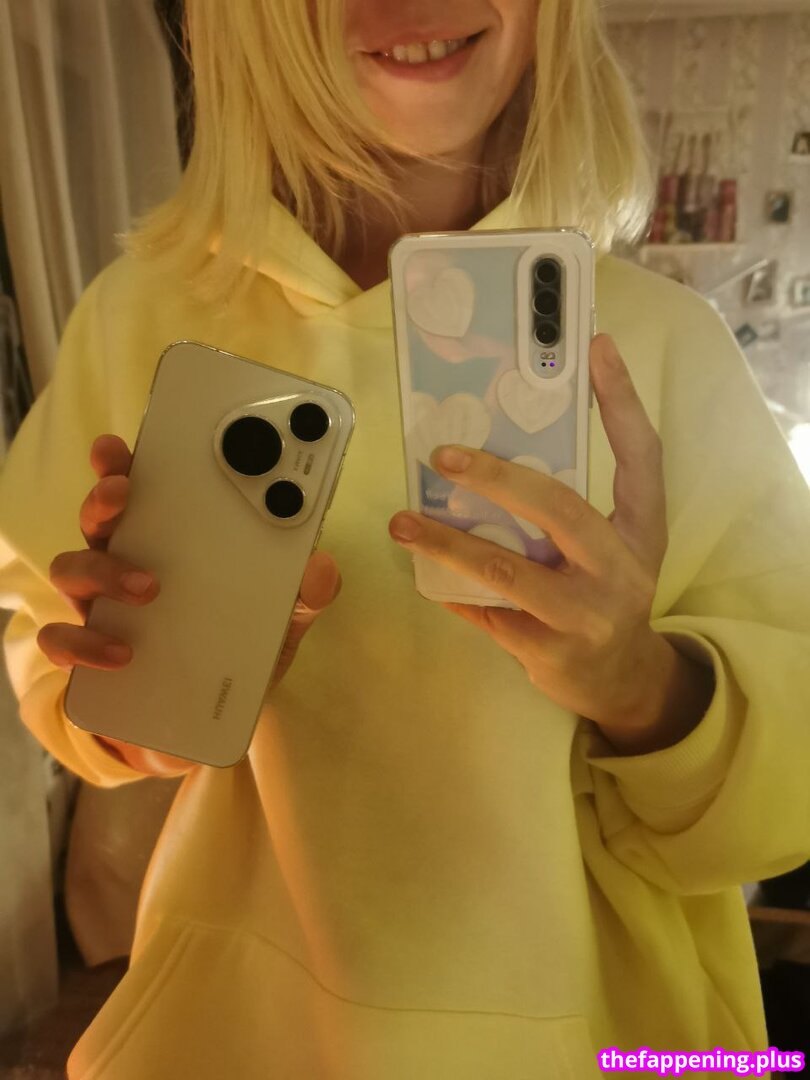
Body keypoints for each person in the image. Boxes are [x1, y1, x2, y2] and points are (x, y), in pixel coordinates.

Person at [0, 2, 808, 1077]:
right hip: (239, 1038)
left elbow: (788, 795)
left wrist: (644, 687)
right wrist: (144, 706)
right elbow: (51, 651)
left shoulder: (667, 347)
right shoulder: (139, 315)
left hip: (600, 1039)